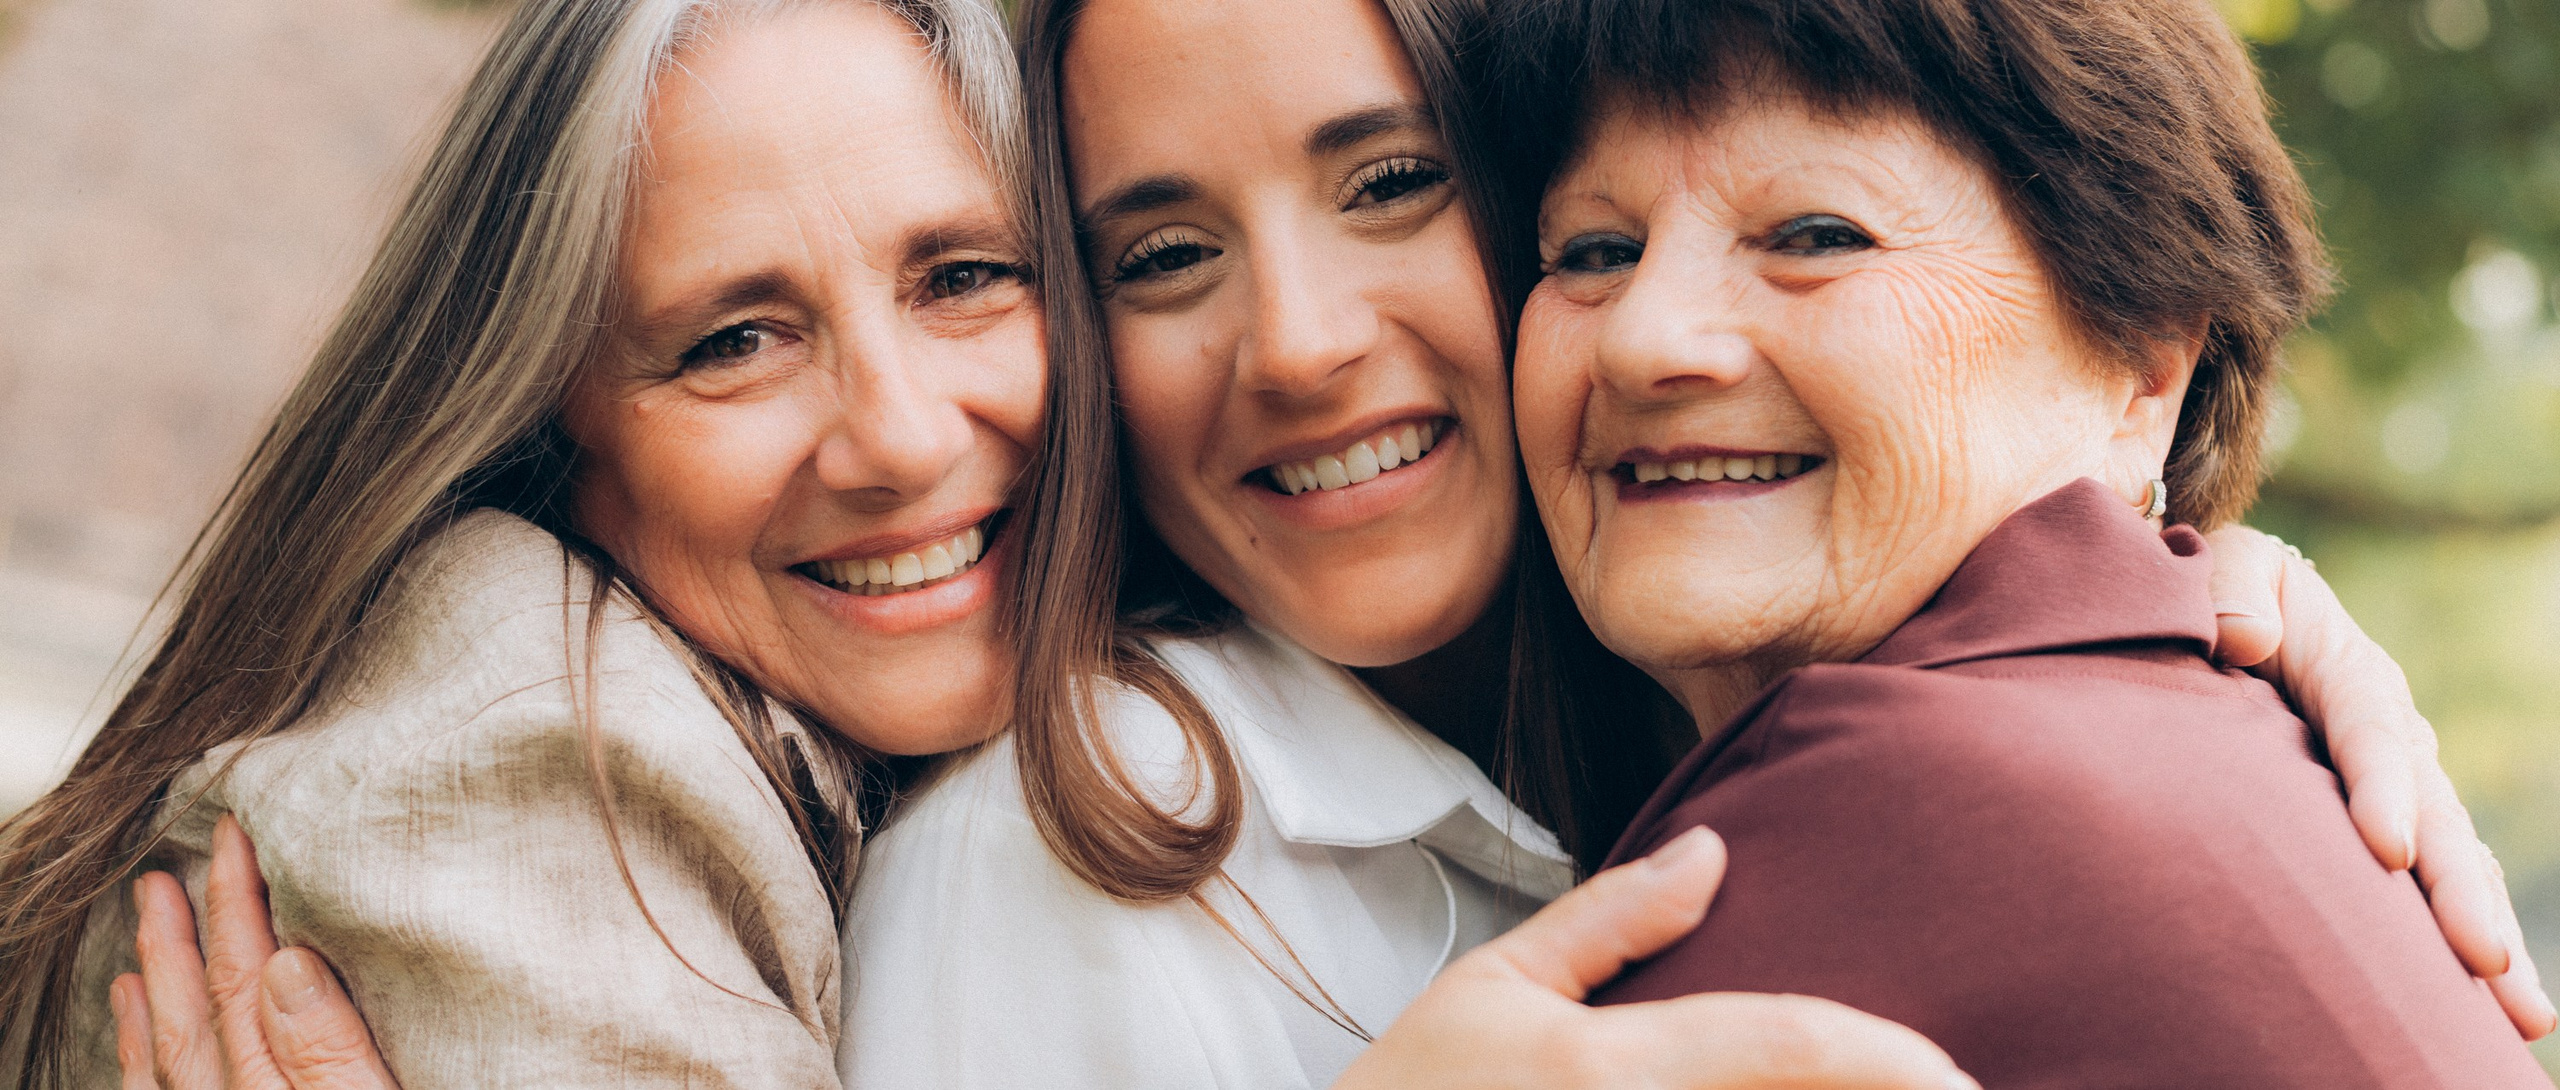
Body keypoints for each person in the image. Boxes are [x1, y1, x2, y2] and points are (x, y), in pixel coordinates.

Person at [98, 0, 2551, 1085]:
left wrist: (2185, 578)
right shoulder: (1049, 866)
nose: (1290, 342)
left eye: (1394, 187)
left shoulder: (1787, 756)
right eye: (1155, 250)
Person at [1487, 0, 2557, 1082]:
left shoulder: (1881, 797)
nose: (1642, 338)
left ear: (2143, 370)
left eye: (1816, 237)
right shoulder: (2204, 729)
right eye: (1594, 252)